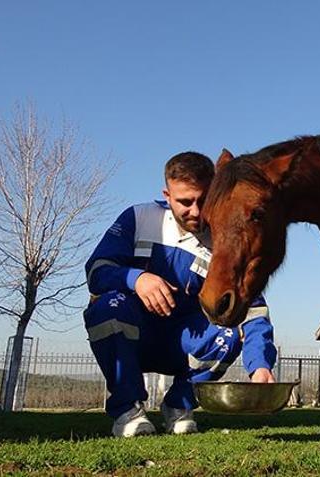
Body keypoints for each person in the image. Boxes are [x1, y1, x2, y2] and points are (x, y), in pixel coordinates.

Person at [83, 151, 277, 437]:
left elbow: (253, 308)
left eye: (204, 199)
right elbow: (97, 271)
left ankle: (179, 406)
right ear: (167, 194)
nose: (196, 212)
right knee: (106, 307)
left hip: (184, 344)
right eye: (185, 202)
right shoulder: (138, 217)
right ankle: (128, 410)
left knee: (230, 333)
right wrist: (136, 279)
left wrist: (260, 365)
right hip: (133, 335)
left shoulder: (225, 239)